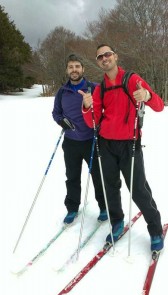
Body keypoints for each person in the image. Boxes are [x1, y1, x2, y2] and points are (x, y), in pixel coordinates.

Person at [79, 43, 164, 252]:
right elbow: (93, 122)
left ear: (115, 57)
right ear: (98, 62)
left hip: (129, 145)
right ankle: (117, 222)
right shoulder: (100, 88)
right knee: (110, 188)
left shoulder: (132, 79)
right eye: (100, 57)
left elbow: (159, 105)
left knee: (138, 190)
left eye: (107, 54)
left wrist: (146, 96)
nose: (104, 58)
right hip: (106, 144)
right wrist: (87, 106)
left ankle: (155, 229)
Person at [52, 54, 107, 225]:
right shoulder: (62, 92)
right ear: (67, 70)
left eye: (77, 66)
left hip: (92, 141)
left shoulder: (95, 88)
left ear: (83, 69)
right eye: (71, 67)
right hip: (70, 143)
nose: (74, 70)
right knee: (72, 177)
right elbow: (56, 112)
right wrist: (61, 120)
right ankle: (72, 208)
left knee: (99, 177)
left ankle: (105, 207)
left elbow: (106, 110)